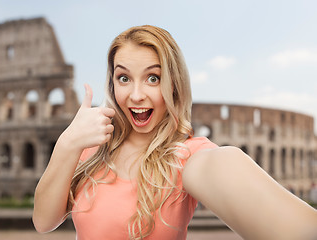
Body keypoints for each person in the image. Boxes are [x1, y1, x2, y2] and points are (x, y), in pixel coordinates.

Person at [32, 25, 317, 240]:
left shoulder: (187, 157)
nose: (136, 94)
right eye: (124, 78)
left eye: (153, 78)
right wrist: (68, 142)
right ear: (112, 83)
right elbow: (44, 221)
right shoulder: (93, 148)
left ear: (174, 85)